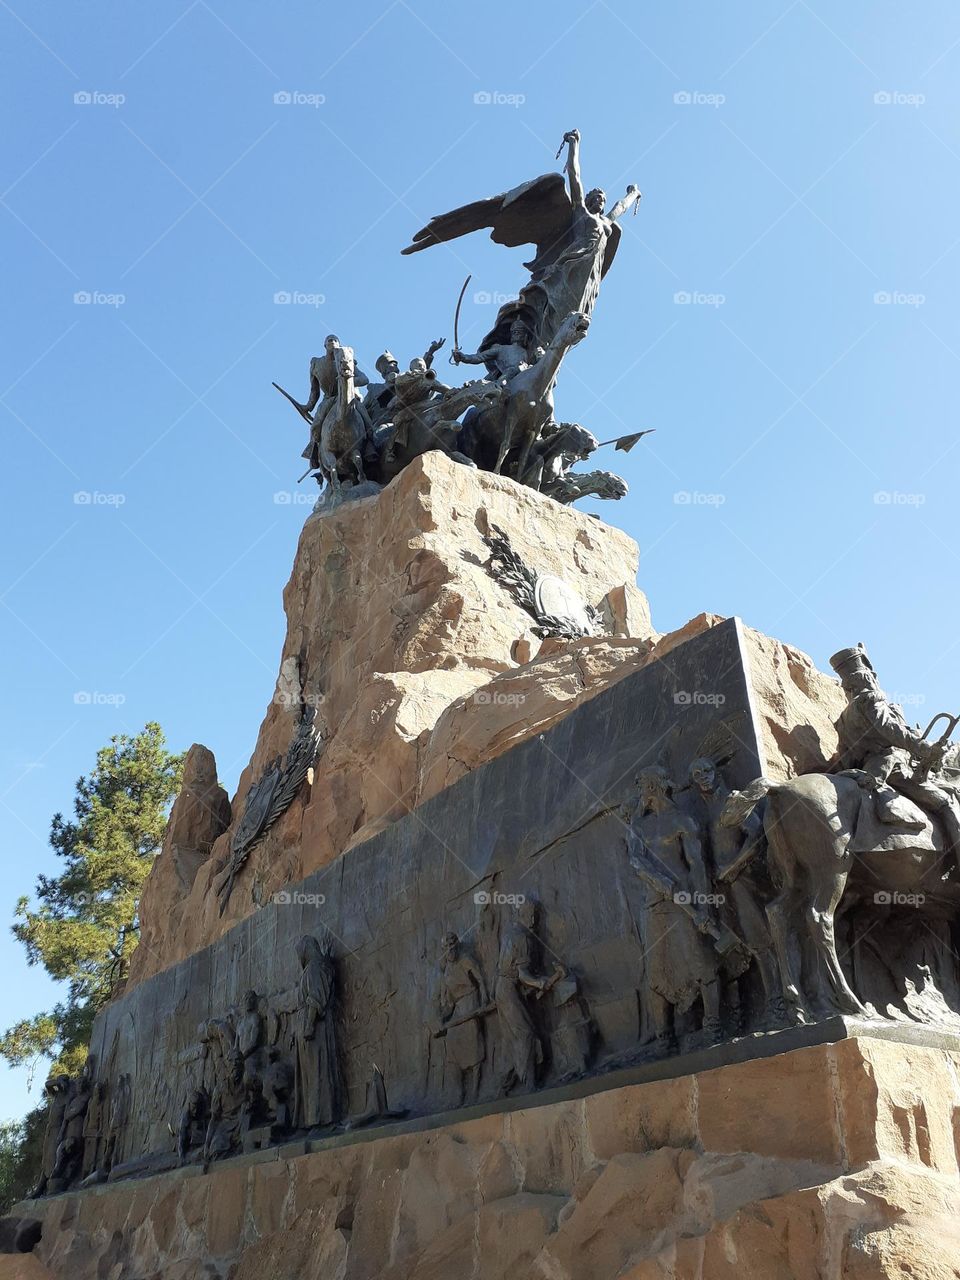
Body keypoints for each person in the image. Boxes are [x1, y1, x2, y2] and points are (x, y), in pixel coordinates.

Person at [829, 645, 960, 867]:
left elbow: (846, 754)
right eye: (871, 674)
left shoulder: (844, 717)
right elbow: (890, 729)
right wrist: (924, 750)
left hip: (863, 769)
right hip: (892, 768)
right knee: (946, 802)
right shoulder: (871, 699)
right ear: (866, 676)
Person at [628, 767, 722, 1050]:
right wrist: (660, 882)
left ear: (654, 787)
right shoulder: (641, 827)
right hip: (655, 904)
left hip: (685, 902)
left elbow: (698, 866)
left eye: (642, 785)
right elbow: (636, 861)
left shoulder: (683, 820)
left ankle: (714, 1026)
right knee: (657, 971)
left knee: (701, 961)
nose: (640, 793)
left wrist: (702, 905)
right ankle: (664, 1037)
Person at [436, 932, 488, 1104]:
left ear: (457, 945)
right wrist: (442, 1018)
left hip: (471, 1001)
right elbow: (449, 1003)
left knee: (474, 1045)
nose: (450, 950)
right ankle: (459, 1093)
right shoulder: (447, 971)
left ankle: (475, 1090)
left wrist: (484, 998)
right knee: (452, 1041)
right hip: (458, 1008)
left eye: (453, 946)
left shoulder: (466, 959)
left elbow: (480, 979)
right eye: (447, 947)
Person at [452, 319, 540, 382]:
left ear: (525, 336)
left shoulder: (530, 352)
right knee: (510, 372)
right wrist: (462, 357)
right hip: (507, 377)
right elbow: (479, 357)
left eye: (519, 332)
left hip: (526, 376)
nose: (516, 334)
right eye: (514, 332)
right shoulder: (501, 349)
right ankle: (500, 393)